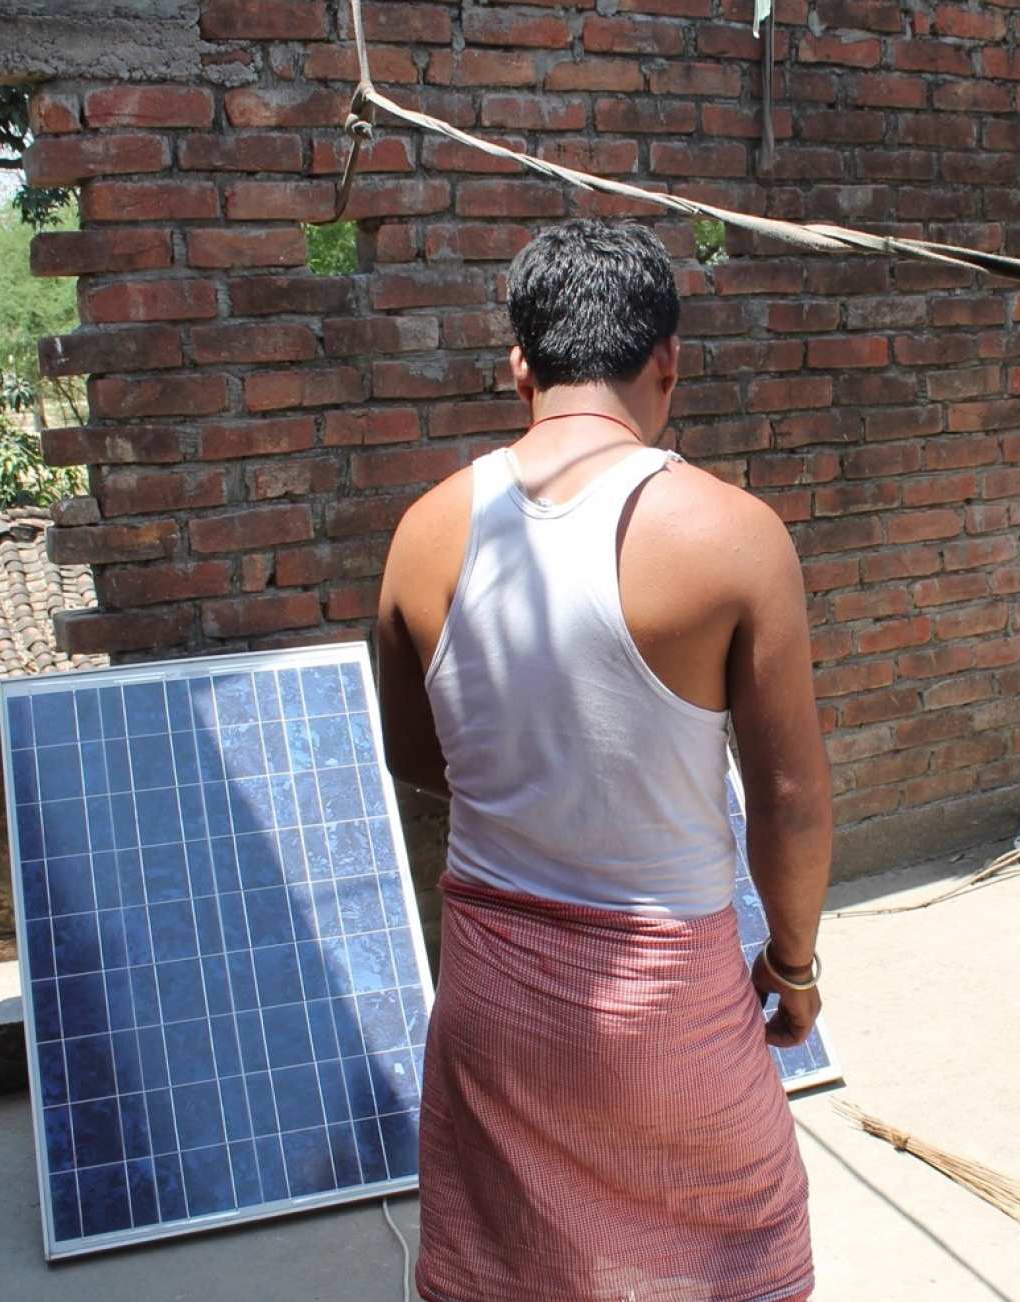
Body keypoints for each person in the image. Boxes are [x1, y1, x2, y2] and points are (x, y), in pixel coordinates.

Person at [375, 219, 831, 1302]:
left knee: (511, 1267)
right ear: (667, 360)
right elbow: (789, 801)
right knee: (739, 1251)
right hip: (667, 1005)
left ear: (519, 367)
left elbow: (417, 756)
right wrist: (793, 967)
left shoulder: (424, 531)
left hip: (491, 993)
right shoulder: (731, 534)